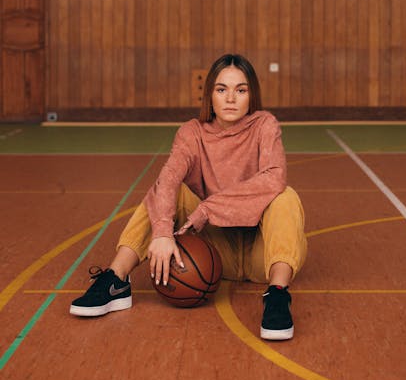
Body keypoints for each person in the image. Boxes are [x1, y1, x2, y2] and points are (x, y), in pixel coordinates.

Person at [70, 53, 307, 340]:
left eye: (240, 90)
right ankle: (116, 280)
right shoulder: (191, 133)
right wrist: (161, 233)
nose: (231, 98)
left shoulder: (264, 125)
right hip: (216, 252)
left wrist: (207, 209)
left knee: (285, 196)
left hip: (263, 252)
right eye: (222, 89)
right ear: (210, 95)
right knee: (166, 188)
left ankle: (278, 296)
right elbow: (169, 178)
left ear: (251, 95)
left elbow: (274, 177)